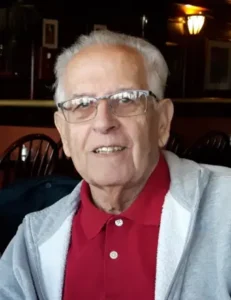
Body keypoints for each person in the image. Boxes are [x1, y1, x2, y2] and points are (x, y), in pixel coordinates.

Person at [1, 30, 231, 300]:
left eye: (126, 99)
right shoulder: (33, 237)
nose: (103, 122)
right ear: (63, 132)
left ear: (162, 121)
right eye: (82, 104)